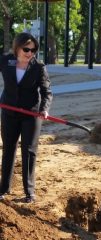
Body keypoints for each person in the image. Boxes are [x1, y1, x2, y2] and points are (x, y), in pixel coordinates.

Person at [0, 32, 53, 203]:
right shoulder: (6, 61)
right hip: (9, 112)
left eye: (34, 50)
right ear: (17, 48)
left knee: (29, 152)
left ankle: (29, 192)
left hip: (31, 114)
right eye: (26, 49)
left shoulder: (38, 67)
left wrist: (44, 109)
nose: (30, 53)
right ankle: (4, 188)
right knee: (8, 149)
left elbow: (47, 92)